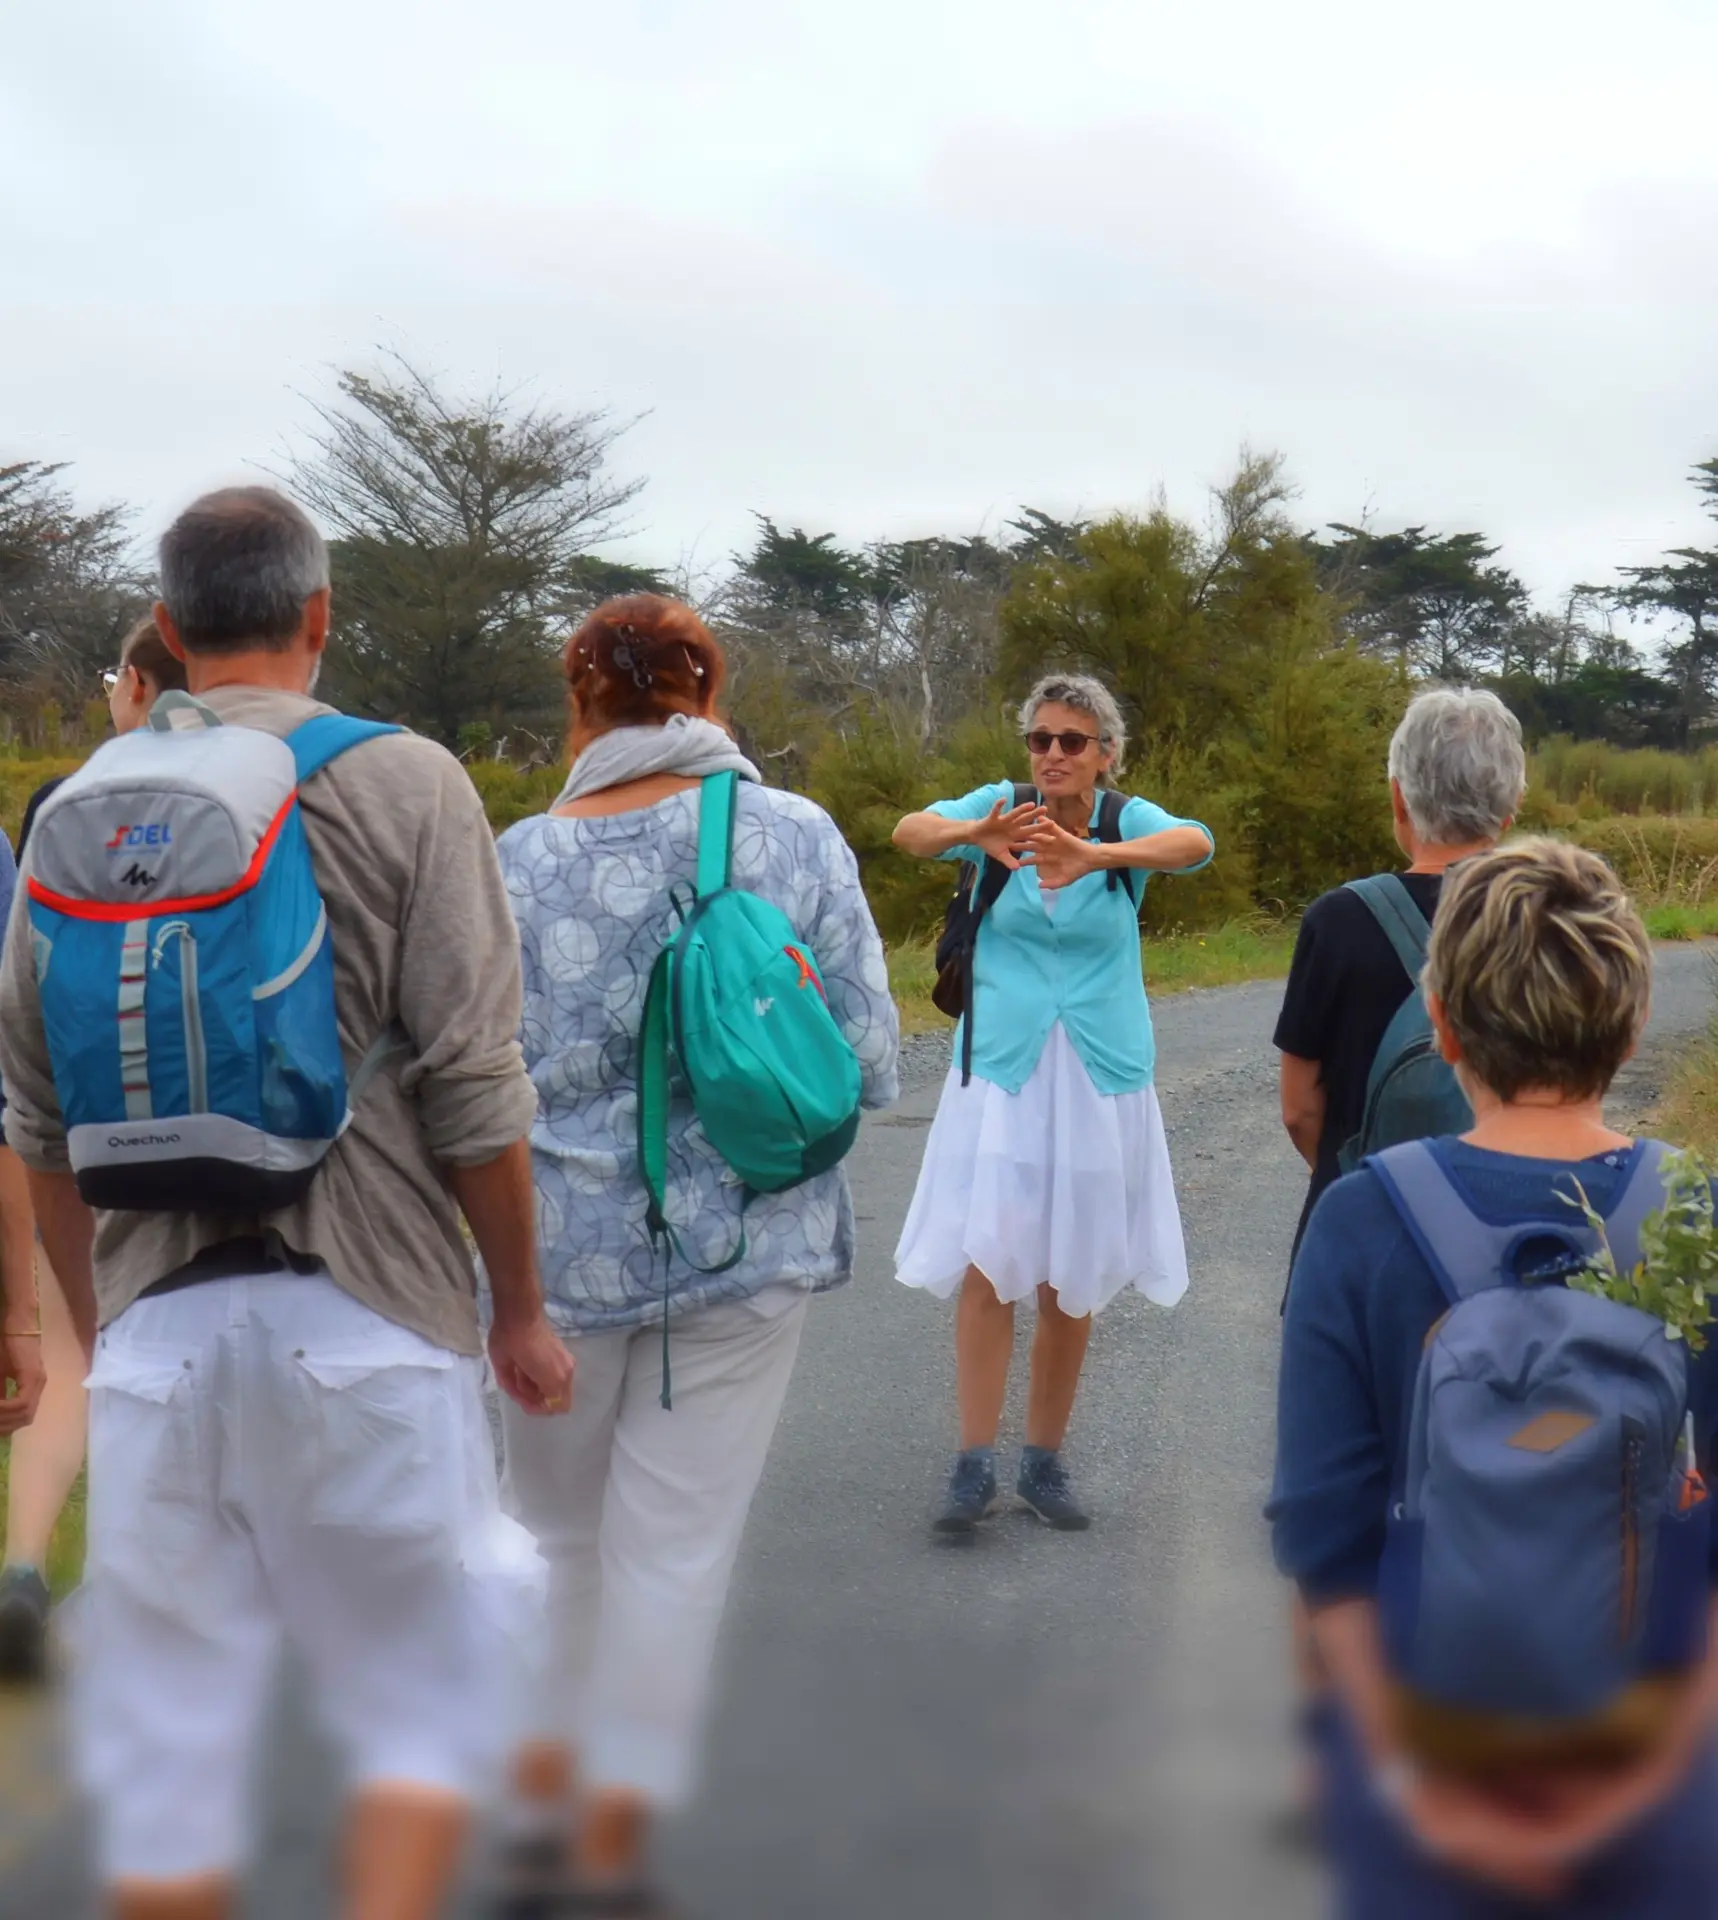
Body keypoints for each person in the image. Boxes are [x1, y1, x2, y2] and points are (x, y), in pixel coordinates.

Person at [0, 486, 574, 1920]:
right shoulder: (409, 781)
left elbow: (38, 1124)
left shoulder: (74, 810)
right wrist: (517, 1309)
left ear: (172, 629)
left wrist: (100, 1327)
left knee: (173, 1761)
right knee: (418, 1724)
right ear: (319, 617)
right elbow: (474, 1088)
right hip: (373, 1323)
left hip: (157, 1353)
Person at [493, 594, 898, 1915]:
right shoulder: (793, 836)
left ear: (579, 701)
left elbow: (471, 1085)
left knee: (555, 1547)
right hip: (743, 1253)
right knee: (673, 1557)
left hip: (557, 1272)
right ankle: (612, 1847)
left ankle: (538, 1814)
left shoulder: (516, 863)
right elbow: (873, 1064)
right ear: (708, 691)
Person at [1271, 839, 1718, 1917]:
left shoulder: (1359, 1217)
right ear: (1629, 1024)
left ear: (1440, 1027)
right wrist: (1651, 1791)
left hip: (1428, 1772)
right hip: (1653, 1785)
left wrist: (1409, 1796)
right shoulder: (1694, 1213)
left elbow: (1324, 1550)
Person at [892, 674, 1214, 1535]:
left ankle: (1044, 1461)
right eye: (1041, 739)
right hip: (1003, 1068)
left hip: (1100, 1073)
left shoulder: (1122, 821)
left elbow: (1196, 844)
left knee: (1071, 1270)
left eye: (1074, 741)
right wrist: (976, 832)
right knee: (989, 1259)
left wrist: (1101, 858)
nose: (1055, 756)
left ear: (1105, 753)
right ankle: (972, 1466)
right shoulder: (1001, 809)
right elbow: (910, 832)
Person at [0, 615, 191, 1682]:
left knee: (76, 1345)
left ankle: (27, 1563)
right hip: (221, 1121)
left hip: (79, 1116)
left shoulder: (64, 807)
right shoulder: (272, 794)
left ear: (137, 689)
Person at [1275, 687, 1525, 1261]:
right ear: (1508, 813)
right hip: (1496, 1234)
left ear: (1398, 799)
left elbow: (1299, 1109)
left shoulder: (1337, 921)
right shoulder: (1541, 918)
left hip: (1356, 1231)